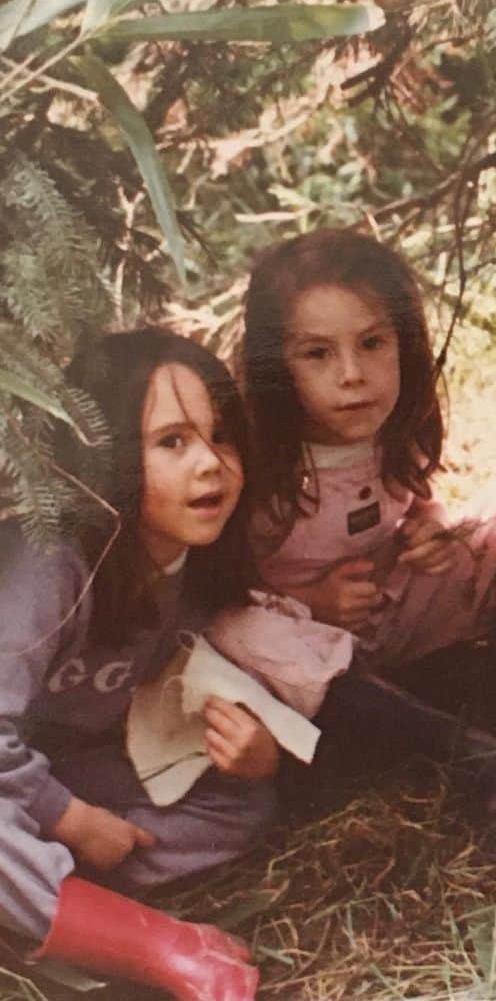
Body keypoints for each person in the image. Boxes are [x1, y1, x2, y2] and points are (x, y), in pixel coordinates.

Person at [241, 229, 496, 804]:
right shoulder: (260, 463)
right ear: (278, 365)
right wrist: (316, 602)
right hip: (309, 658)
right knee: (241, 631)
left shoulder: (395, 427)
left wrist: (432, 531)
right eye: (318, 353)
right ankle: (470, 756)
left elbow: (412, 501)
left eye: (373, 343)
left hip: (395, 614)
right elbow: (218, 585)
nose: (353, 374)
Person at [0, 329, 281, 1000]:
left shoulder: (187, 559)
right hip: (19, 781)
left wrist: (257, 751)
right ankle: (153, 943)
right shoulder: (52, 562)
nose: (211, 464)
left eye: (222, 437)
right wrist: (69, 817)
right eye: (172, 442)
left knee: (239, 801)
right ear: (113, 459)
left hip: (52, 773)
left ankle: (34, 898)